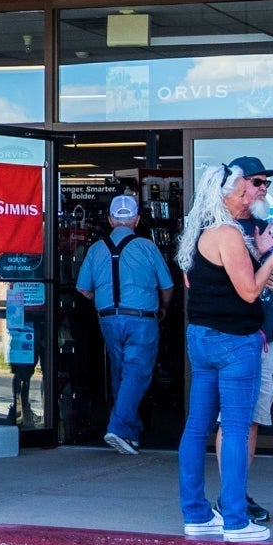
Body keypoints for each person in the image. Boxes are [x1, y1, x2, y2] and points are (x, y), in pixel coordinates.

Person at [175, 157, 273, 543]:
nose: (259, 190)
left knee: (197, 428)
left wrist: (259, 253)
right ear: (236, 187)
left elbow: (201, 285)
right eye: (255, 183)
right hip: (234, 340)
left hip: (202, 336)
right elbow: (248, 291)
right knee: (237, 428)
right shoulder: (228, 233)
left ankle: (196, 513)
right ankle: (236, 520)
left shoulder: (200, 231)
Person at [75, 194, 172, 456]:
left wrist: (103, 299)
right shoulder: (147, 247)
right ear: (137, 220)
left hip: (108, 318)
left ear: (109, 220)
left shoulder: (96, 249)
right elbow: (167, 286)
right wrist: (163, 307)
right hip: (141, 318)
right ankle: (118, 427)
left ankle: (130, 432)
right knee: (137, 373)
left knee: (121, 373)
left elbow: (83, 289)